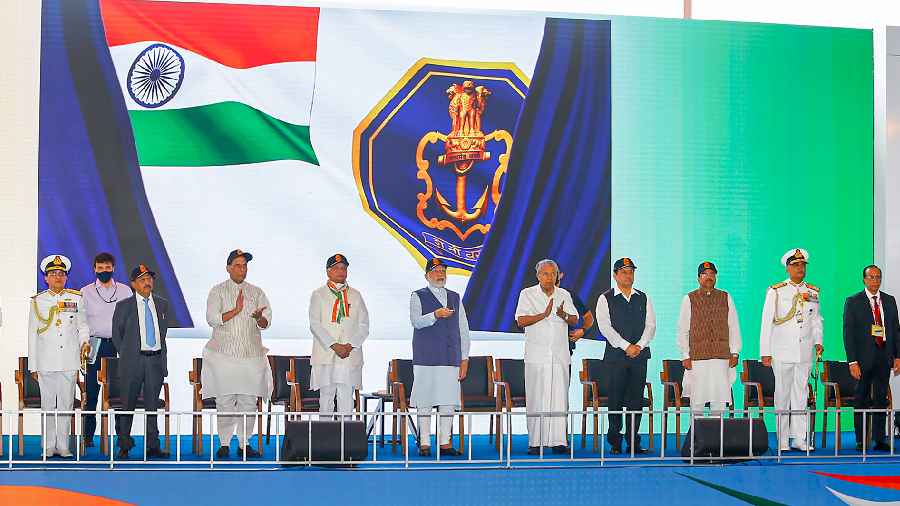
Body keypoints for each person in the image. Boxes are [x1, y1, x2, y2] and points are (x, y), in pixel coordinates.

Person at [203, 249, 273, 459]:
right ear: (228, 268)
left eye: (244, 265)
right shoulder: (217, 291)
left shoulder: (257, 292)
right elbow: (212, 319)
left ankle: (244, 443)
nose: (242, 269)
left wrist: (260, 318)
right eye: (238, 265)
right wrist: (236, 309)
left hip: (251, 354)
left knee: (248, 401)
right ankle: (224, 443)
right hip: (223, 355)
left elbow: (266, 322)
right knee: (225, 400)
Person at [759, 248, 823, 452]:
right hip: (782, 350)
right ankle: (783, 439)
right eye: (795, 265)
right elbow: (766, 322)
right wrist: (765, 352)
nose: (800, 269)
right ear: (787, 268)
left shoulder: (812, 292)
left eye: (803, 265)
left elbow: (816, 320)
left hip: (804, 351)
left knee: (801, 394)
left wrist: (818, 341)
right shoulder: (776, 291)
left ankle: (799, 438)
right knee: (783, 394)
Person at [27, 255, 90, 457]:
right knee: (48, 405)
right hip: (46, 362)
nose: (58, 277)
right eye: (53, 274)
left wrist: (85, 342)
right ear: (46, 278)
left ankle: (63, 445)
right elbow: (32, 334)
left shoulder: (76, 298)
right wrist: (33, 366)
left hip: (69, 361)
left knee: (66, 405)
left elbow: (82, 326)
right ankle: (47, 445)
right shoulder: (38, 301)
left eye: (61, 274)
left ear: (66, 277)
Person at [515, 259, 578, 455]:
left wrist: (562, 315)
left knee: (560, 398)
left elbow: (575, 318)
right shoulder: (527, 294)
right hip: (536, 356)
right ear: (538, 276)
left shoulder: (564, 294)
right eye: (545, 274)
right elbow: (520, 320)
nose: (549, 277)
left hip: (559, 356)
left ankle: (559, 441)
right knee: (536, 398)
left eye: (552, 274)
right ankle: (536, 442)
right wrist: (543, 314)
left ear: (557, 275)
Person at [409, 258, 470, 457]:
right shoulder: (417, 296)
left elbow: (463, 329)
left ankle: (445, 443)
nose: (439, 274)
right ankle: (425, 442)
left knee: (448, 400)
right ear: (427, 275)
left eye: (442, 270)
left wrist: (465, 358)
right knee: (425, 400)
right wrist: (435, 314)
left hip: (450, 356)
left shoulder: (455, 297)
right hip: (425, 356)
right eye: (435, 270)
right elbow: (416, 322)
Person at [595, 257, 656, 454]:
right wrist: (625, 346)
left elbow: (651, 325)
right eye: (624, 272)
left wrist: (638, 346)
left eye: (631, 272)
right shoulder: (606, 298)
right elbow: (605, 327)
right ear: (615, 275)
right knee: (615, 398)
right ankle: (615, 440)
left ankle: (633, 440)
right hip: (616, 357)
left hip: (639, 356)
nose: (628, 275)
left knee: (635, 399)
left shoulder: (643, 297)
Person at [111, 264, 170, 459]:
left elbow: (163, 333)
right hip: (132, 362)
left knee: (152, 406)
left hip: (154, 362)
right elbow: (117, 336)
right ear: (133, 284)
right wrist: (128, 355)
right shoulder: (123, 306)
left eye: (150, 279)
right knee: (128, 404)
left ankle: (153, 445)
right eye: (143, 280)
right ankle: (125, 445)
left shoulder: (162, 304)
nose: (147, 282)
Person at [842, 264, 900, 452]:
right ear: (864, 279)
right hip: (862, 359)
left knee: (881, 399)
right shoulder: (853, 301)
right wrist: (852, 361)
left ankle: (879, 438)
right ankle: (861, 439)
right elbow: (848, 334)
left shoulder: (890, 301)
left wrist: (897, 356)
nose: (875, 281)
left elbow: (896, 331)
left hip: (884, 357)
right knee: (861, 398)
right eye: (871, 277)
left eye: (878, 277)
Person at [80, 252, 132, 448]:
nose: (104, 271)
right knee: (91, 392)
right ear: (94, 269)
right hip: (94, 345)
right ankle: (87, 436)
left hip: (118, 345)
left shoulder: (125, 291)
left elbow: (130, 320)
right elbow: (81, 321)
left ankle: (121, 435)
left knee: (119, 392)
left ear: (113, 268)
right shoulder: (85, 292)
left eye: (107, 267)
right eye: (100, 268)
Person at [676, 261, 741, 416]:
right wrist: (685, 355)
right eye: (705, 274)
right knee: (697, 400)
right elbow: (683, 329)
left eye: (712, 274)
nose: (709, 277)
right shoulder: (689, 299)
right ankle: (697, 437)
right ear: (699, 278)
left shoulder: (725, 297)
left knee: (719, 399)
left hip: (721, 356)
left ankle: (716, 437)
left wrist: (735, 352)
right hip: (698, 357)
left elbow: (734, 326)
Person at [309, 254, 369, 417]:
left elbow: (364, 326)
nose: (341, 272)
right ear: (328, 271)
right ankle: (325, 438)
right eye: (336, 268)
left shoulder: (356, 295)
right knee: (326, 397)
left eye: (344, 268)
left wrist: (350, 346)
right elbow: (315, 324)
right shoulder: (318, 294)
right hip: (326, 354)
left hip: (349, 355)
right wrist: (334, 345)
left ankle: (346, 439)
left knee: (346, 398)